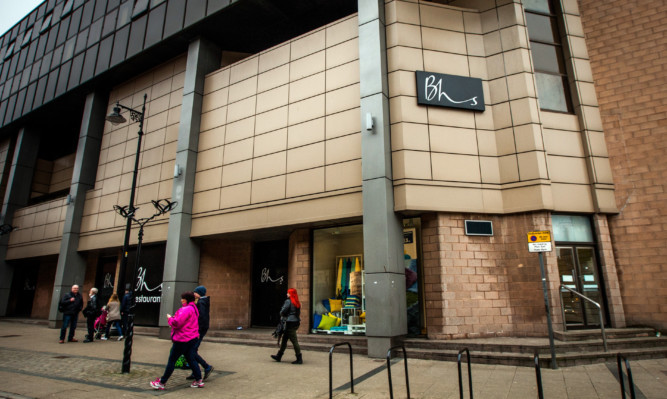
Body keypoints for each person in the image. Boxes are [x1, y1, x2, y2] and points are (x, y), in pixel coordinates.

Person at [150, 291, 204, 390]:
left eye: (182, 298)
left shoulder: (186, 309)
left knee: (172, 360)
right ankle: (199, 380)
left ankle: (162, 382)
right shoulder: (194, 308)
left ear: (185, 299)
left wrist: (170, 318)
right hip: (192, 337)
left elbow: (177, 323)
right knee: (191, 359)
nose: (181, 300)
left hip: (182, 339)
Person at [187, 286, 213, 380]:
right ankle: (195, 371)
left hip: (199, 330)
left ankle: (206, 367)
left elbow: (201, 317)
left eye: (195, 292)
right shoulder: (202, 301)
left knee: (191, 351)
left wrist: (197, 330)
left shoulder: (201, 302)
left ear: (200, 293)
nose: (194, 294)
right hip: (200, 329)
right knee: (192, 350)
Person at [271, 288, 302, 364]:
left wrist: (282, 314)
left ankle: (299, 358)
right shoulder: (297, 302)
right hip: (295, 322)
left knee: (294, 341)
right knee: (284, 339)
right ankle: (279, 356)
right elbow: (298, 313)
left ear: (291, 294)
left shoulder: (288, 301)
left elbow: (283, 311)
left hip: (289, 322)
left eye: (288, 293)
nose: (287, 294)